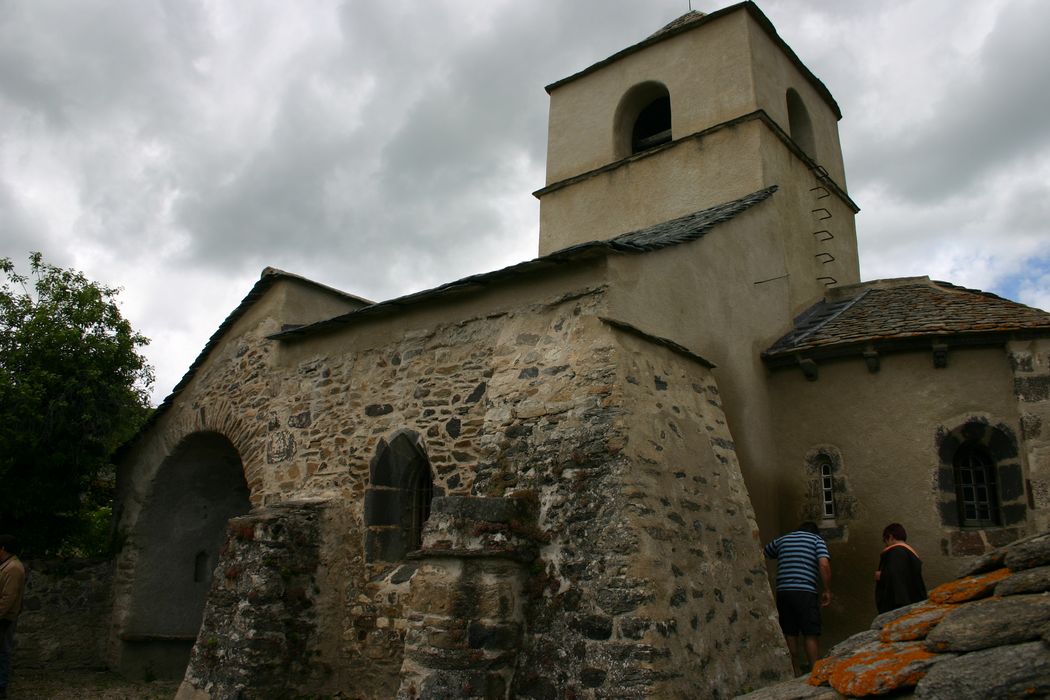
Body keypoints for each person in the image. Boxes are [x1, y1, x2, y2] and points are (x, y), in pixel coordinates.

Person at [763, 522, 831, 676]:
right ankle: (815, 670)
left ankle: (796, 670)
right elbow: (824, 564)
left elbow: (764, 552)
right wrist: (827, 590)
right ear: (815, 532)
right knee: (810, 631)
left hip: (784, 592)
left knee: (789, 631)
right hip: (805, 591)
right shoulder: (816, 540)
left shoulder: (783, 539)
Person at [875, 523, 927, 614]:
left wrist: (881, 575)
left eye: (885, 540)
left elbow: (896, 578)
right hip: (913, 602)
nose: (886, 545)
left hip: (898, 607)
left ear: (890, 537)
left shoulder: (896, 552)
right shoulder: (909, 553)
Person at [0, 535, 26, 700]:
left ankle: (1, 687)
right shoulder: (7, 566)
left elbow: (8, 598)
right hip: (4, 616)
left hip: (5, 618)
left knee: (3, 652)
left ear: (2, 548)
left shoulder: (13, 568)